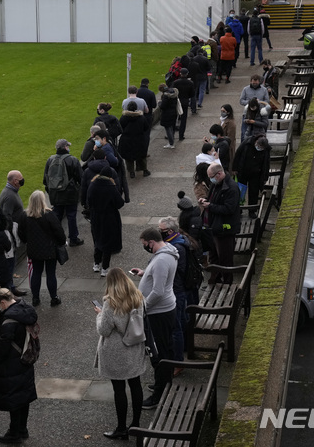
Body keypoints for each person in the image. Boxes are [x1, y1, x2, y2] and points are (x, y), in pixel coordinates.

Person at [93, 268, 146, 440]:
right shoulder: (138, 296)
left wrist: (100, 315)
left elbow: (104, 330)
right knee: (136, 385)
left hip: (117, 351)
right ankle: (136, 424)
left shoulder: (110, 303)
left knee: (119, 389)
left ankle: (121, 428)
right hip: (135, 347)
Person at [130, 228, 178, 410]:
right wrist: (145, 273)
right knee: (165, 348)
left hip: (159, 312)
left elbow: (158, 291)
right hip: (164, 309)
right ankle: (164, 383)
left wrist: (143, 307)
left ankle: (159, 394)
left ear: (151, 242)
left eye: (145, 245)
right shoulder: (166, 253)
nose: (145, 248)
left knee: (159, 353)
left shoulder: (162, 260)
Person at [0, 287, 38, 444]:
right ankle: (22, 429)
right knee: (23, 397)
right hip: (26, 360)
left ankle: (14, 432)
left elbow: (3, 348)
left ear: (3, 303)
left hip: (11, 364)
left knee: (14, 400)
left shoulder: (9, 321)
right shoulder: (26, 310)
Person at [17, 190, 66, 307]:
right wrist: (61, 242)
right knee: (50, 273)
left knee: (36, 273)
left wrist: (28, 241)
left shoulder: (25, 216)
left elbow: (21, 233)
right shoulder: (49, 215)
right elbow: (59, 231)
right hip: (50, 249)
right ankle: (53, 297)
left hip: (34, 250)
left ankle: (35, 298)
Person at [158, 217, 190, 376]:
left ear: (170, 231)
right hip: (180, 288)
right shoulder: (181, 240)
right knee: (181, 321)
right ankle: (183, 349)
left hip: (176, 290)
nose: (159, 232)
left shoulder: (177, 247)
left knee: (176, 326)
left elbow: (176, 271)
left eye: (161, 230)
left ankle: (178, 362)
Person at [199, 163, 241, 284]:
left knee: (225, 259)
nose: (210, 179)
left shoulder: (231, 188)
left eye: (211, 176)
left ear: (219, 174)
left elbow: (229, 209)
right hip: (214, 227)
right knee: (214, 257)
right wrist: (206, 200)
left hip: (225, 230)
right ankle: (216, 279)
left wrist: (210, 206)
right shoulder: (216, 183)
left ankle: (228, 284)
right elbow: (212, 199)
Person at [43, 139, 84, 247]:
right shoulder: (73, 160)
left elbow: (45, 180)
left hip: (55, 194)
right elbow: (81, 178)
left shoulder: (50, 160)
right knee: (71, 216)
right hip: (70, 193)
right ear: (65, 147)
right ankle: (73, 239)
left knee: (57, 217)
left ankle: (57, 239)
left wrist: (51, 191)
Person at [87, 166, 124, 276]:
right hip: (109, 218)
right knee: (107, 242)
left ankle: (96, 263)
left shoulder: (92, 185)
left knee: (97, 240)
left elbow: (88, 201)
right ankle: (105, 268)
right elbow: (119, 203)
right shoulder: (110, 187)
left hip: (96, 217)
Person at [0, 170, 28, 296]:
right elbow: (6, 217)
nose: (22, 180)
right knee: (9, 265)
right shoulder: (10, 196)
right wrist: (13, 236)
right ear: (15, 181)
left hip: (12, 234)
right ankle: (8, 292)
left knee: (12, 263)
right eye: (20, 179)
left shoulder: (12, 192)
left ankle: (11, 287)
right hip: (10, 236)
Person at [232, 134, 271, 217]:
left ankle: (252, 211)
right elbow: (238, 154)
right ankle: (239, 209)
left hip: (256, 174)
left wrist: (265, 177)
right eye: (258, 146)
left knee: (254, 192)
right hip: (243, 171)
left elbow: (266, 164)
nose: (259, 148)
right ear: (256, 142)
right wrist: (234, 168)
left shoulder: (266, 150)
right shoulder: (247, 143)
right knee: (240, 191)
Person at [118, 101, 151, 178]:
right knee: (141, 155)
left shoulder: (124, 118)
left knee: (128, 157)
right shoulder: (141, 118)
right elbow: (146, 127)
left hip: (127, 139)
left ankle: (131, 172)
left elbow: (120, 128)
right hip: (139, 139)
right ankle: (144, 170)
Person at [239, 75, 270, 142]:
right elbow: (241, 101)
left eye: (256, 83)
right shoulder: (245, 89)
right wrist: (250, 103)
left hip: (259, 113)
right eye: (253, 83)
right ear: (251, 81)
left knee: (258, 132)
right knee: (244, 132)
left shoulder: (264, 90)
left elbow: (267, 101)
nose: (254, 84)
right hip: (248, 112)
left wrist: (259, 102)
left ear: (259, 82)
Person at [171, 68, 194, 141]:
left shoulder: (176, 82)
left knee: (174, 118)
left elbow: (172, 92)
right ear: (187, 74)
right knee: (183, 119)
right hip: (185, 101)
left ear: (180, 74)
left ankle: (172, 134)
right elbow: (192, 94)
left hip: (176, 101)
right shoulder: (190, 83)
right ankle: (181, 135)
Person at [158, 84, 179, 149]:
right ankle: (171, 141)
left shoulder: (166, 96)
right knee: (172, 127)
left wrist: (159, 103)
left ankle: (171, 143)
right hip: (173, 112)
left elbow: (163, 106)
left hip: (167, 114)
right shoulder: (174, 93)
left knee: (168, 128)